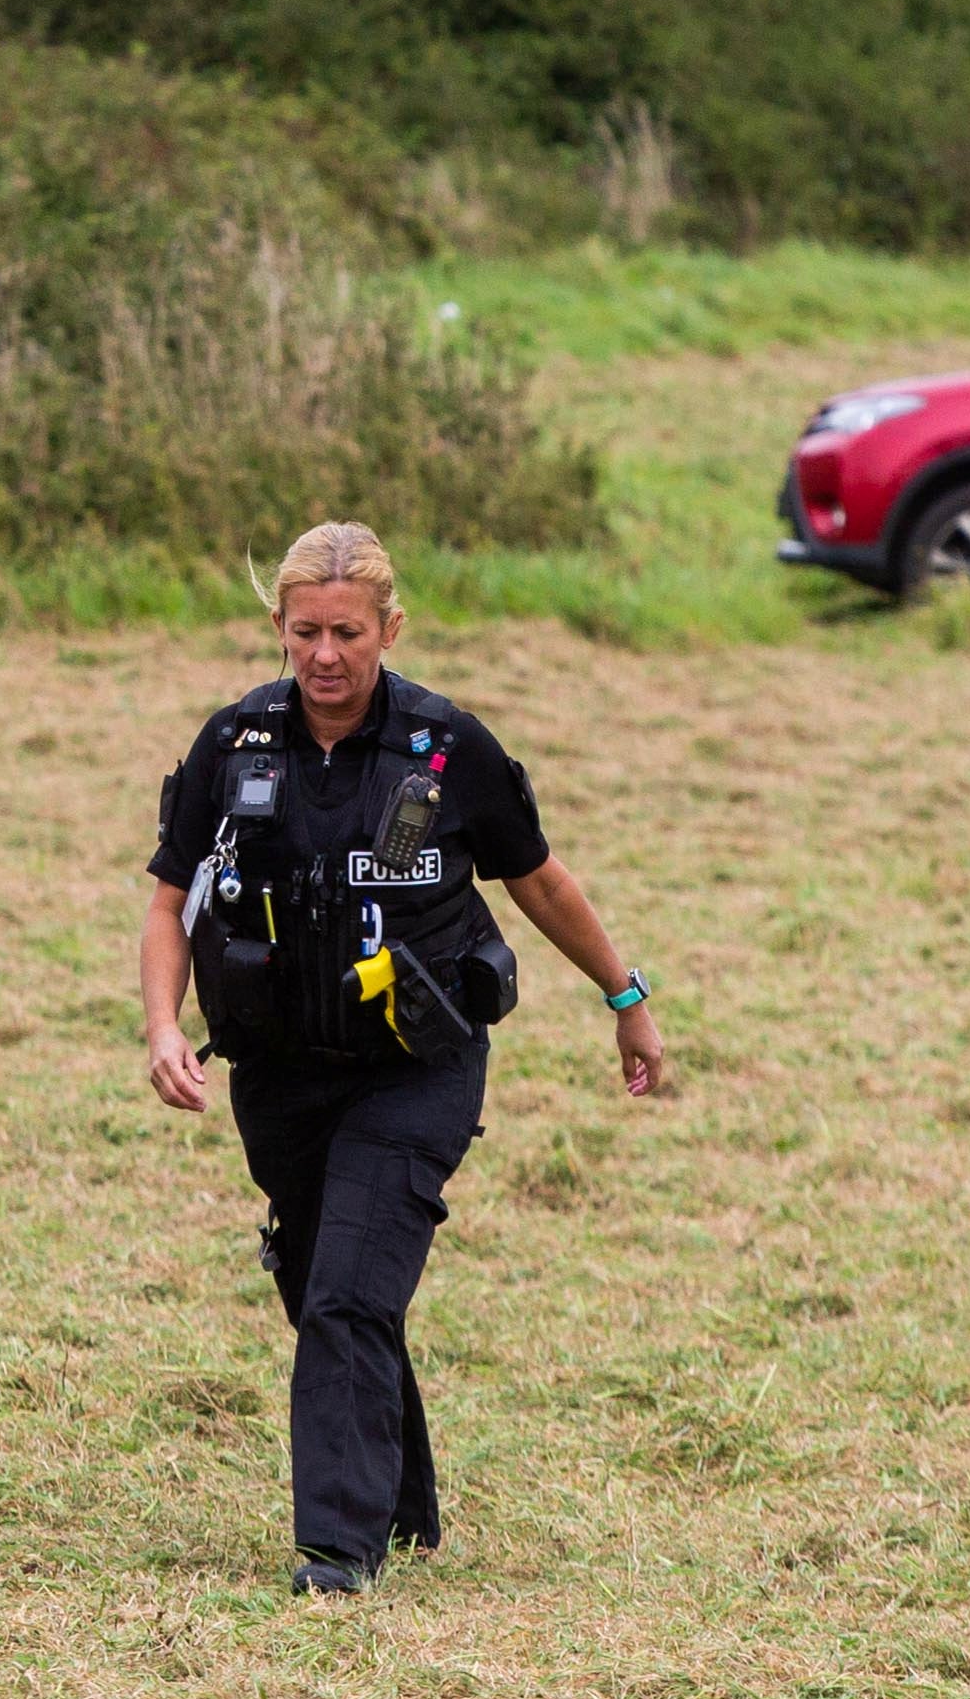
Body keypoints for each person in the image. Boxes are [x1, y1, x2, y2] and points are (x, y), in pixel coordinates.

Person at [136, 523, 670, 1596]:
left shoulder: (447, 747)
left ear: (388, 628)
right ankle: (403, 1498)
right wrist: (160, 1023)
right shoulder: (232, 742)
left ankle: (337, 1553)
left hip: (415, 1066)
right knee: (321, 1278)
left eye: (346, 632)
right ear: (278, 629)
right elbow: (167, 894)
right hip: (280, 1071)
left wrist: (623, 995)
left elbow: (541, 882)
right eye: (303, 632)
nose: (324, 655)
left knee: (344, 1293)